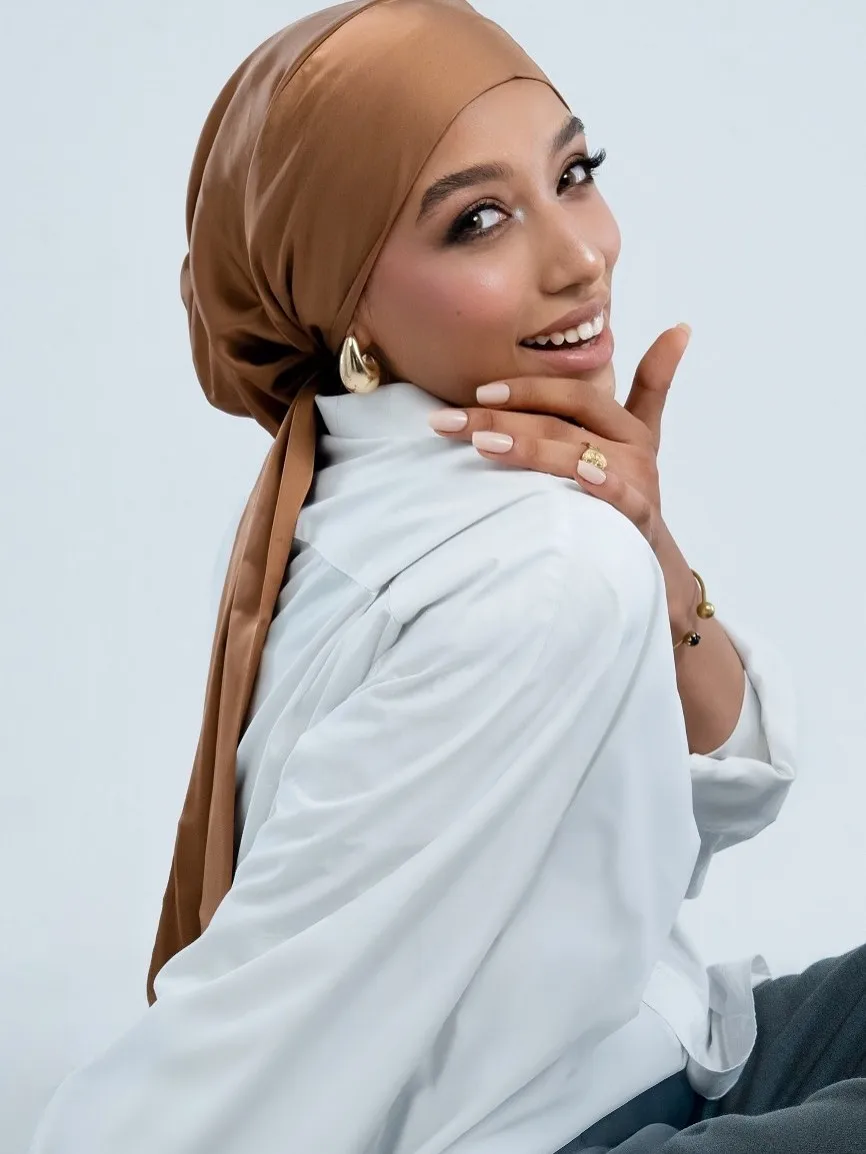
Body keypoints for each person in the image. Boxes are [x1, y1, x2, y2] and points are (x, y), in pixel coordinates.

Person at [27, 1, 865, 1151]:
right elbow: (271, 1014)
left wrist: (653, 546)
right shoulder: (539, 569)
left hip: (655, 1051)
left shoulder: (345, 485)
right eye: (476, 220)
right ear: (344, 301)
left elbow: (710, 797)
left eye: (572, 174)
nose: (580, 257)